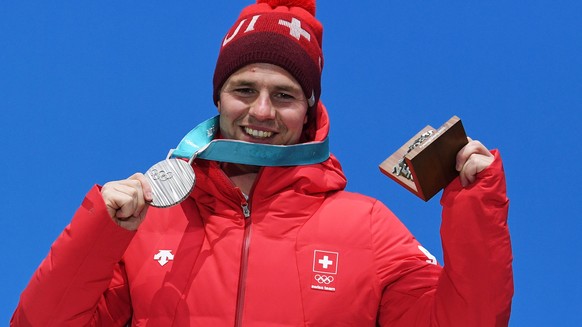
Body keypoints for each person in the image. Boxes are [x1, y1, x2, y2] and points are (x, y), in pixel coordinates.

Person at [11, 0, 513, 326]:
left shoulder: (369, 229)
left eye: (285, 95)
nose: (262, 112)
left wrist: (475, 206)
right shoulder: (145, 224)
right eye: (244, 90)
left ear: (310, 109)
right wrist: (102, 228)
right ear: (218, 99)